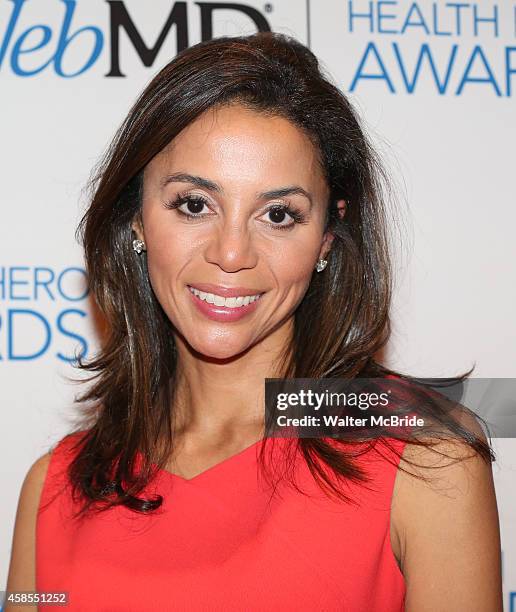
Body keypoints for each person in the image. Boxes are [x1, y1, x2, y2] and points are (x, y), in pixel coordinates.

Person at [5, 32, 502, 611]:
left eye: (278, 214)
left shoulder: (424, 452)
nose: (232, 252)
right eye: (194, 204)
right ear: (135, 217)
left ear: (326, 237)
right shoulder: (54, 487)